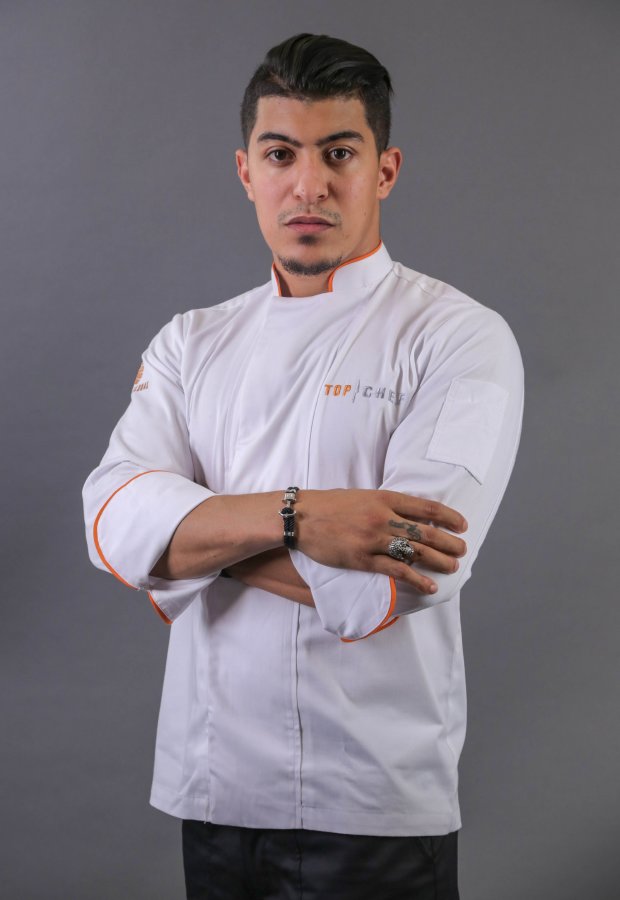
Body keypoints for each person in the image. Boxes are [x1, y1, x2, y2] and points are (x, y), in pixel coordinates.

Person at [82, 33, 523, 900]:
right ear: (246, 171)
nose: (309, 184)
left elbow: (399, 579)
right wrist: (303, 518)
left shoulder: (459, 338)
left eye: (339, 153)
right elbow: (111, 521)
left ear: (385, 170)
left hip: (373, 800)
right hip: (213, 788)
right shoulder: (191, 343)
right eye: (281, 154)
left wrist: (187, 541)